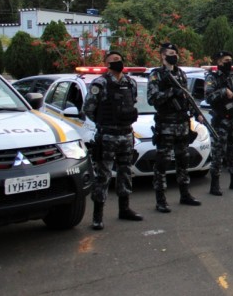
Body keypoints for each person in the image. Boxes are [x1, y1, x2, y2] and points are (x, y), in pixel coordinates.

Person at [83, 51, 142, 230]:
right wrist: (104, 123)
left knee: (125, 171)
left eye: (119, 59)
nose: (118, 62)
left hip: (126, 135)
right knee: (103, 175)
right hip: (107, 136)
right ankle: (97, 216)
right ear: (106, 63)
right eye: (114, 60)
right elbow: (88, 108)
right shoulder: (100, 83)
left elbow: (132, 103)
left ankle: (124, 209)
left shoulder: (130, 83)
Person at [147, 42, 203, 212]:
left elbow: (187, 97)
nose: (174, 55)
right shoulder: (156, 75)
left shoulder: (181, 74)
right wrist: (172, 92)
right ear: (163, 55)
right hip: (165, 125)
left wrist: (196, 112)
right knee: (162, 163)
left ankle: (185, 194)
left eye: (175, 53)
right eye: (170, 53)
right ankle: (161, 199)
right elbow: (152, 99)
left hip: (182, 124)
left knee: (183, 161)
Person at [204, 50, 233, 195]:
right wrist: (224, 91)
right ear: (218, 62)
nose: (229, 63)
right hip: (221, 120)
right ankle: (215, 184)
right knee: (218, 153)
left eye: (230, 60)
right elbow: (209, 97)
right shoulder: (212, 78)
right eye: (226, 61)